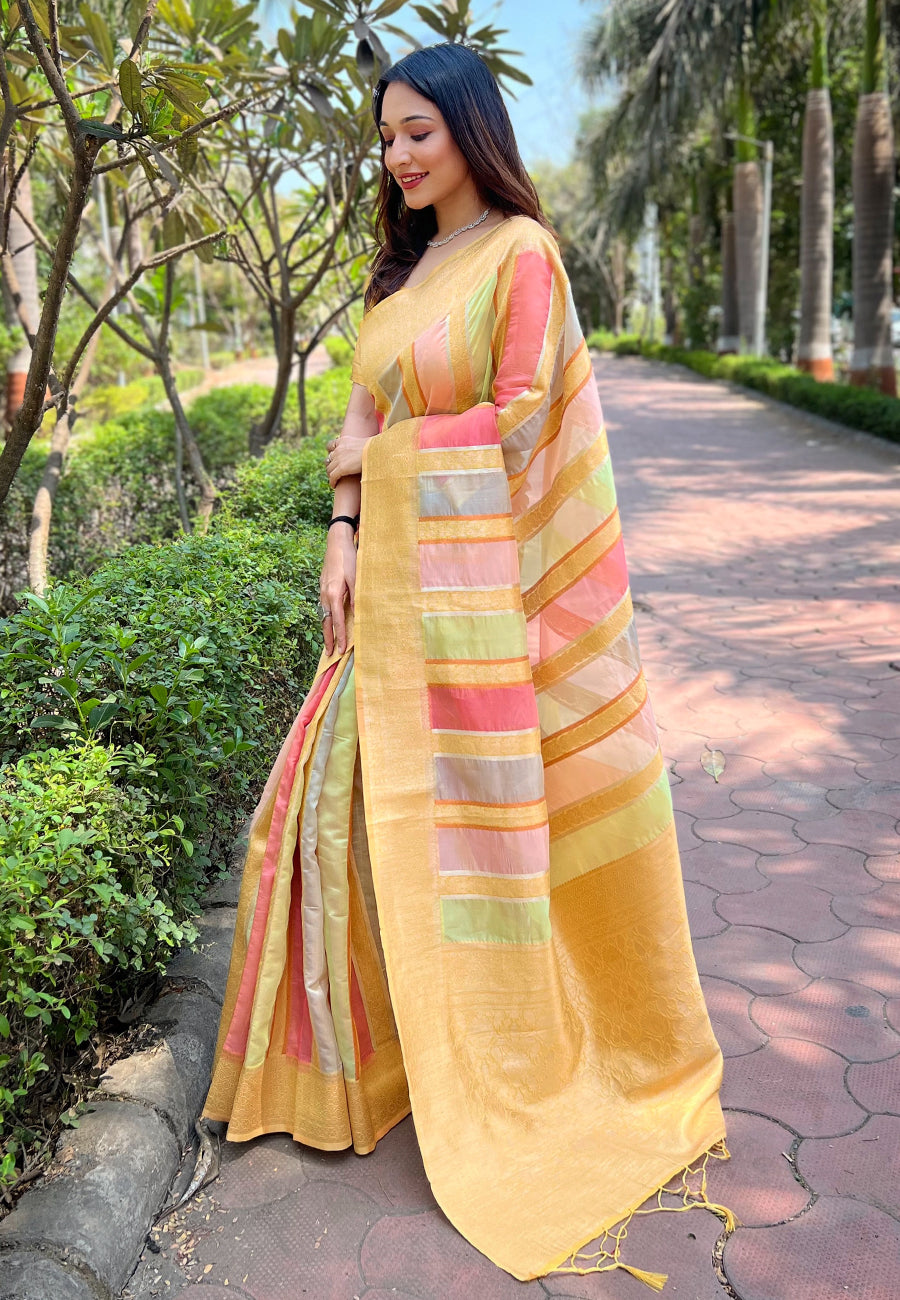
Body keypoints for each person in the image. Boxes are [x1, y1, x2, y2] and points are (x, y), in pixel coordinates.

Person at [203, 41, 732, 1289]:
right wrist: (341, 526)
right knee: (318, 814)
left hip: (477, 607)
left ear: (469, 129)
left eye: (415, 134)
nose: (395, 156)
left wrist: (386, 483)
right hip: (388, 589)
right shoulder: (403, 272)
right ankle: (352, 1073)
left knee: (457, 838)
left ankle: (497, 1068)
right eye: (384, 138)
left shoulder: (522, 257)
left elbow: (519, 423)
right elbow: (363, 418)